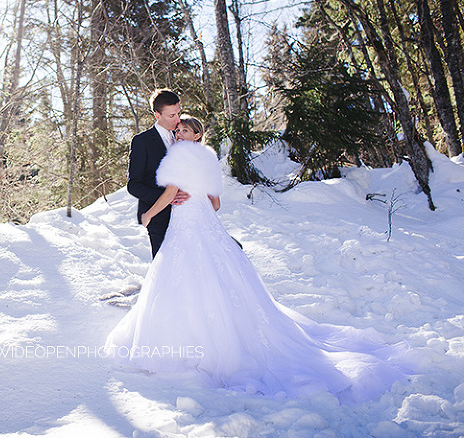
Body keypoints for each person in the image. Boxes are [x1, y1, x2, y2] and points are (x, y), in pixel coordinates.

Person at [106, 116, 411, 404]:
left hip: (186, 224)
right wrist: (194, 198)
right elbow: (215, 203)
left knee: (181, 276)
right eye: (177, 131)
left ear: (196, 135)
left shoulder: (179, 157)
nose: (178, 134)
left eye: (184, 130)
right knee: (218, 274)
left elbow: (171, 191)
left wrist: (149, 213)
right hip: (204, 222)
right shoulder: (207, 158)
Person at [127, 88, 184, 258]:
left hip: (187, 215)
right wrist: (167, 198)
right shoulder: (142, 141)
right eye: (171, 116)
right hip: (158, 216)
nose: (178, 119)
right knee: (166, 268)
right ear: (157, 115)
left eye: (179, 113)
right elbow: (134, 185)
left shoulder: (183, 135)